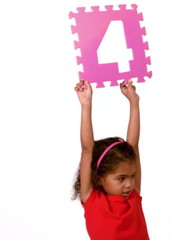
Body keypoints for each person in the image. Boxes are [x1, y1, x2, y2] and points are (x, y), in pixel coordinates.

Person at [72, 80, 149, 240]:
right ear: (99, 178)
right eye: (121, 178)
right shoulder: (92, 200)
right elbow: (87, 150)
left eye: (132, 176)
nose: (129, 184)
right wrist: (86, 105)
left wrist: (134, 102)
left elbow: (133, 145)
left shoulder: (133, 197)